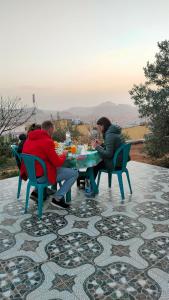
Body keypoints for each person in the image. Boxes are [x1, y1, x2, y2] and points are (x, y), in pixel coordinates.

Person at [20, 120, 78, 208]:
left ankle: (37, 192)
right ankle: (57, 198)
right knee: (74, 173)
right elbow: (57, 163)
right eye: (53, 131)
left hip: (32, 176)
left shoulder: (28, 140)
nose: (53, 133)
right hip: (42, 177)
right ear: (50, 129)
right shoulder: (47, 141)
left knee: (53, 168)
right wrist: (64, 155)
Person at [90, 116, 124, 182]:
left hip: (115, 164)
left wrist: (96, 147)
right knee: (96, 163)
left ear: (102, 126)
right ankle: (89, 183)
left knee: (94, 163)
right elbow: (112, 147)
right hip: (120, 162)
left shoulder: (109, 135)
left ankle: (90, 185)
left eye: (98, 128)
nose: (98, 130)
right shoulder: (114, 132)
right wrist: (101, 144)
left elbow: (109, 154)